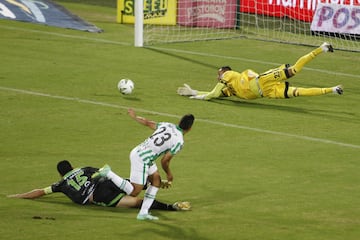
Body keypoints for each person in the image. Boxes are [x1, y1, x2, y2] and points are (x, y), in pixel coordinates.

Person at [97, 109, 195, 220]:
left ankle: (143, 213)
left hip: (140, 151)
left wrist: (135, 117)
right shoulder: (179, 141)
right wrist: (169, 174)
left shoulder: (167, 125)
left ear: (179, 121)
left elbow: (148, 122)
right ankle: (108, 173)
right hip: (143, 159)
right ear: (190, 128)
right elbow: (164, 161)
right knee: (134, 191)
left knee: (156, 181)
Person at [177, 42, 343, 101]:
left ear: (224, 72)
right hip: (268, 92)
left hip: (261, 81)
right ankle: (333, 90)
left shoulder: (228, 75)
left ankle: (321, 48)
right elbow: (217, 95)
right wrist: (194, 91)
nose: (218, 76)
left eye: (218, 73)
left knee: (293, 70)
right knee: (300, 92)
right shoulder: (231, 89)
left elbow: (213, 94)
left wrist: (197, 96)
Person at [7, 160, 191, 212]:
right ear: (72, 167)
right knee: (128, 185)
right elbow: (98, 175)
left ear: (61, 173)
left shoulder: (60, 184)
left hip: (100, 196)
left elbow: (39, 192)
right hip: (104, 182)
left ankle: (171, 207)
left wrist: (18, 196)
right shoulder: (84, 168)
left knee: (136, 203)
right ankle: (154, 183)